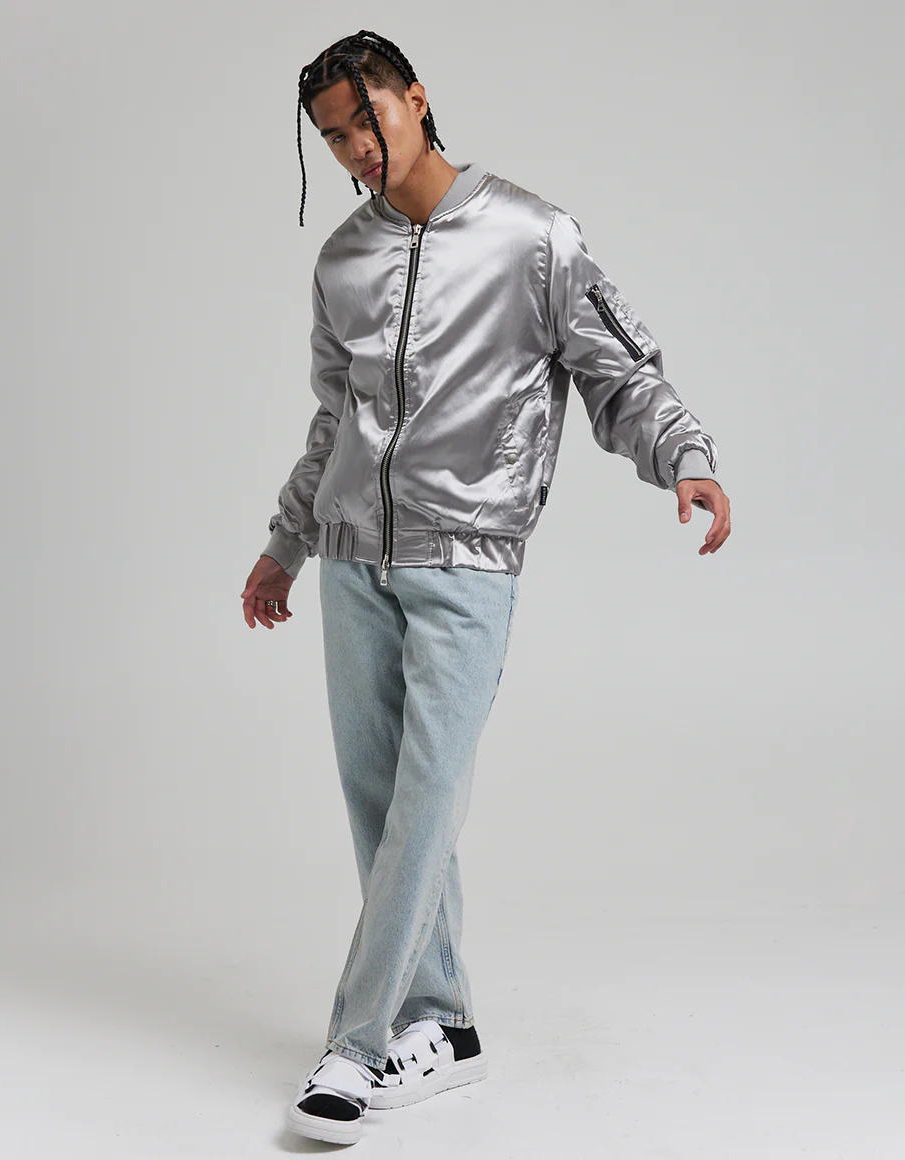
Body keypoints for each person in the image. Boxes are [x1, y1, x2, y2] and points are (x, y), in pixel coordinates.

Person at [239, 28, 732, 1146]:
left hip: (466, 561)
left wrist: (685, 456)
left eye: (366, 120)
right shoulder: (343, 259)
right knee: (380, 802)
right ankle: (445, 1026)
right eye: (334, 138)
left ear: (416, 98)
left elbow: (618, 372)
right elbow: (334, 420)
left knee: (426, 800)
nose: (356, 150)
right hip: (352, 558)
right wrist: (286, 542)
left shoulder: (530, 236)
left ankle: (356, 1042)